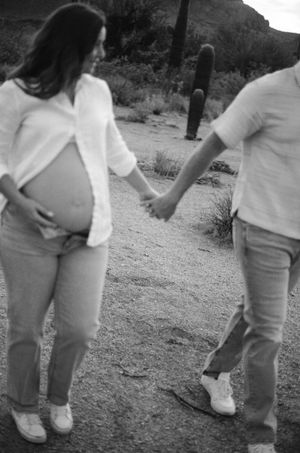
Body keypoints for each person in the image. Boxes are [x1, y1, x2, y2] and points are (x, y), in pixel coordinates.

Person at [0, 3, 158, 444]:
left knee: (81, 327)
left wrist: (149, 193)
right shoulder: (17, 92)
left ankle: (58, 397)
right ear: (71, 42)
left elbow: (115, 147)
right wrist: (23, 204)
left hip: (90, 235)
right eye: (98, 45)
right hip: (27, 233)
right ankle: (23, 403)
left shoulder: (98, 91)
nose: (102, 54)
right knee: (25, 327)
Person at [146, 60, 300, 453]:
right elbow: (213, 144)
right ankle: (262, 437)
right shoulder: (266, 91)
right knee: (268, 332)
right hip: (261, 226)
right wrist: (173, 196)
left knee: (257, 310)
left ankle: (215, 372)